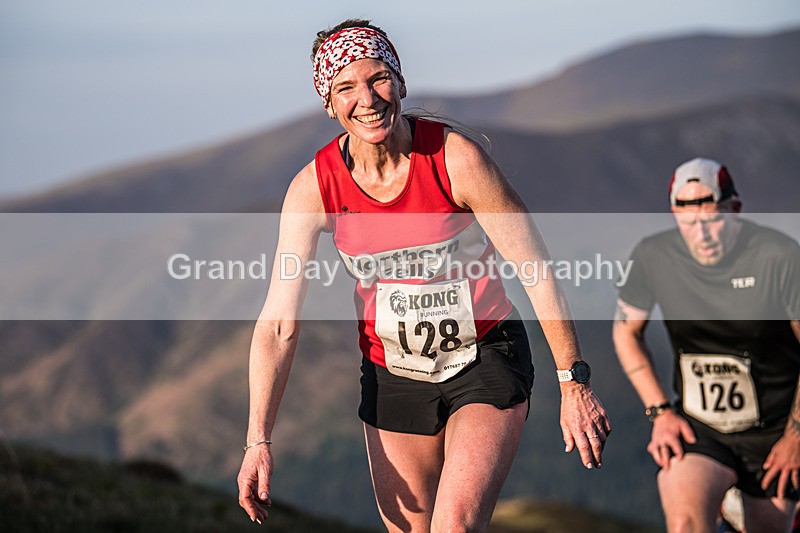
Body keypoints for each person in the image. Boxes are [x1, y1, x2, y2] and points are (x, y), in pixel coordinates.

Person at [237, 19, 610, 531]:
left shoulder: (456, 160)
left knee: (453, 526)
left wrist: (573, 382)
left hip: (484, 355)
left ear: (401, 82)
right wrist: (257, 440)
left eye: (379, 78)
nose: (367, 99)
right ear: (328, 104)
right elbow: (279, 323)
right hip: (393, 373)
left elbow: (536, 269)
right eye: (346, 87)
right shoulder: (314, 189)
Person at [613, 157, 800, 533]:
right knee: (684, 522)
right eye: (688, 222)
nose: (703, 235)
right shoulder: (653, 256)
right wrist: (660, 412)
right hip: (701, 427)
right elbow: (626, 332)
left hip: (776, 431)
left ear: (735, 209)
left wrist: (796, 437)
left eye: (713, 220)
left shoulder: (778, 256)